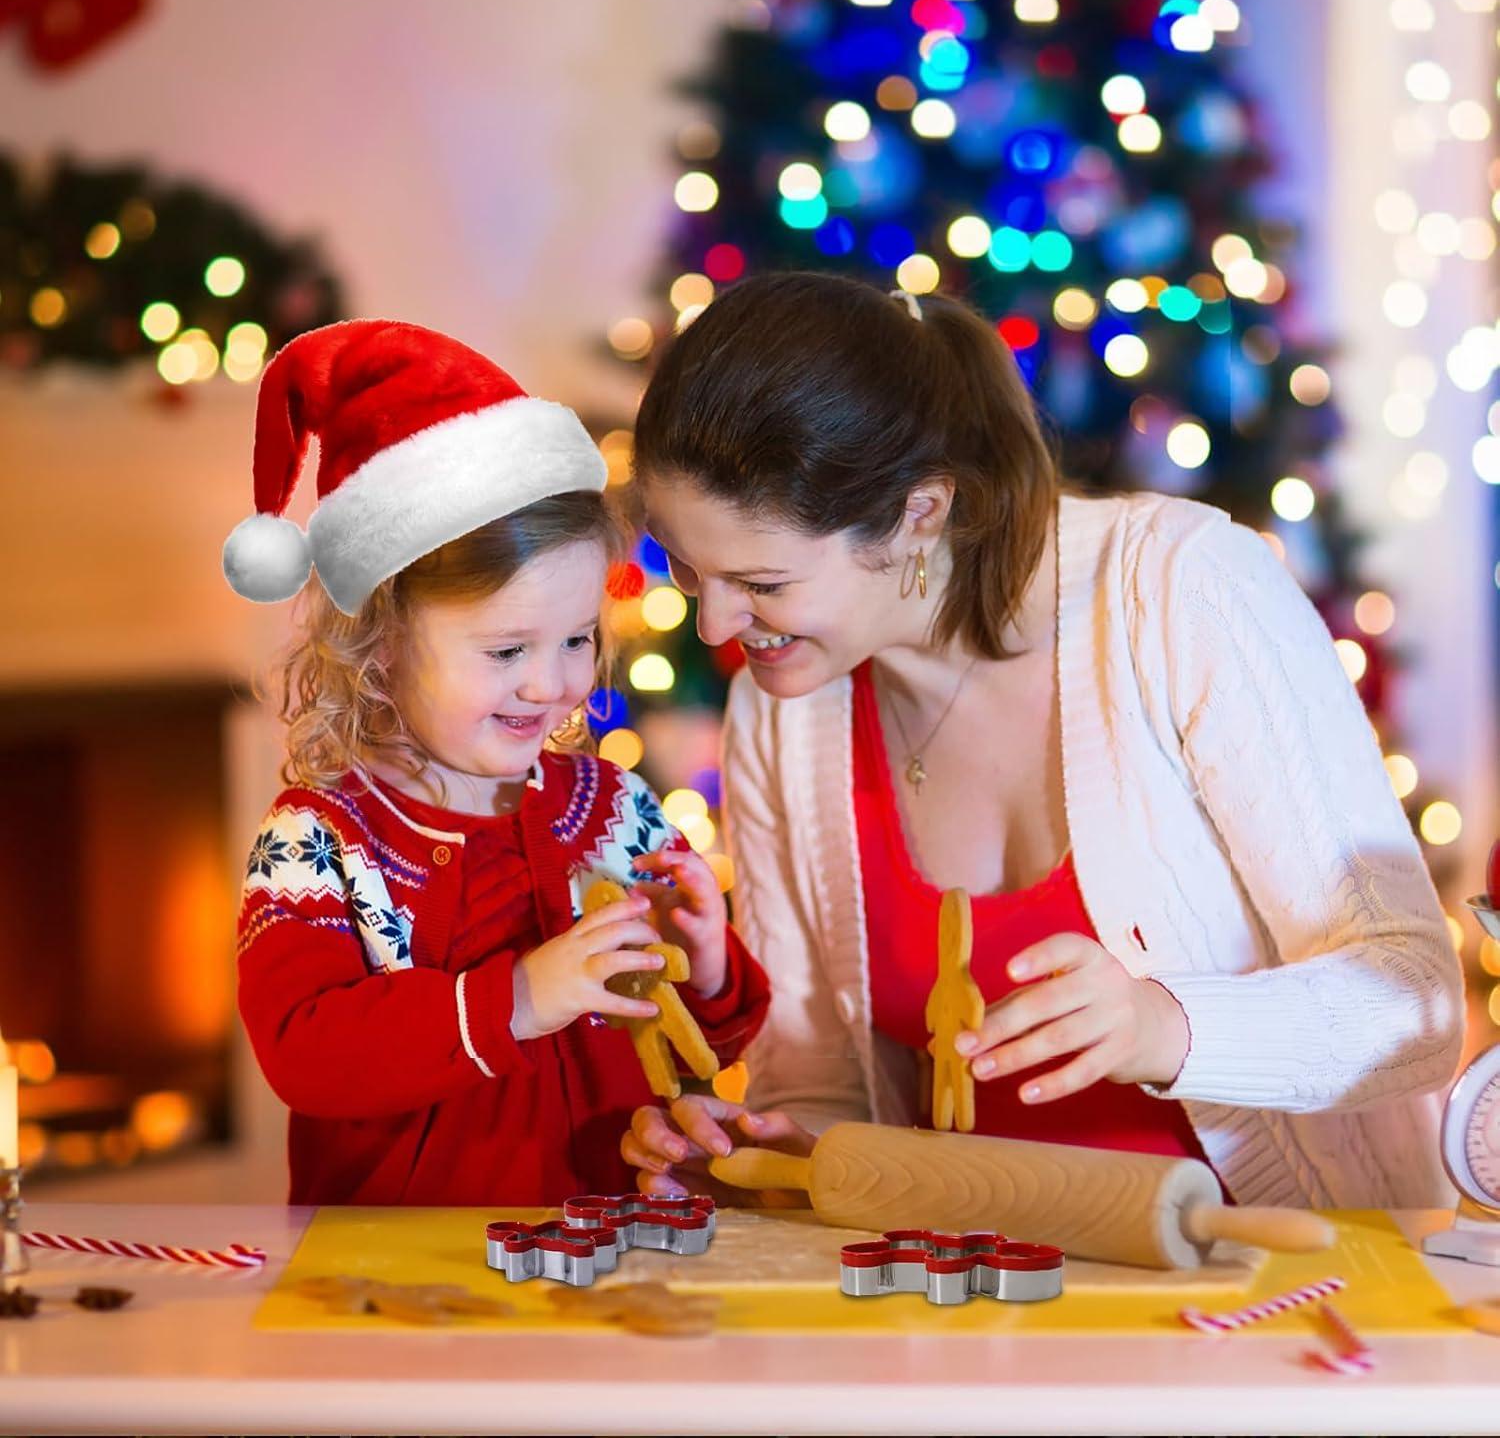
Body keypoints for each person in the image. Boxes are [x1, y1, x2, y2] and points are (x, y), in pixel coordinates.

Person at [619, 271, 1463, 1209]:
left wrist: (1164, 1026)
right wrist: (768, 1155)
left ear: (919, 513)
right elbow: (822, 1085)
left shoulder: (1182, 590)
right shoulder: (785, 711)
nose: (716, 625)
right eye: (691, 571)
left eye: (763, 582)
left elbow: (1416, 1000)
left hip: (1291, 1288)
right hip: (981, 1303)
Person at [223, 319, 768, 1205]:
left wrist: (704, 960)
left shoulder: (610, 806)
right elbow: (304, 1050)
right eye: (508, 651)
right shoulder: (320, 841)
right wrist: (517, 999)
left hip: (609, 1246)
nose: (552, 684)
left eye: (578, 639)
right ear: (383, 644)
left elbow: (695, 1038)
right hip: (398, 1279)